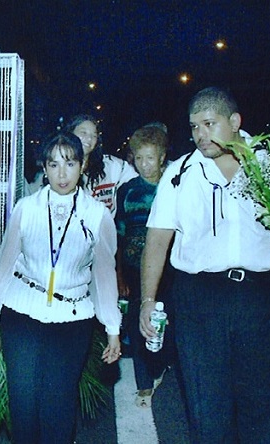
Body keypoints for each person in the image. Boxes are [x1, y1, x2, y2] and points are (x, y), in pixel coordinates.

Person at [140, 87, 270, 442]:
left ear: (235, 122)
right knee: (207, 411)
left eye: (209, 124)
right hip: (200, 302)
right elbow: (157, 240)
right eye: (194, 127)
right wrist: (148, 301)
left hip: (263, 300)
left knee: (260, 406)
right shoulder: (180, 174)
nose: (200, 135)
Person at [0, 131, 121, 444]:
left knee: (58, 403)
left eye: (70, 164)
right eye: (54, 164)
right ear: (44, 168)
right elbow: (5, 267)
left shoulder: (97, 215)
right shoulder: (25, 208)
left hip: (72, 319)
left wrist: (112, 327)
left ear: (82, 166)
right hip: (22, 314)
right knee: (24, 402)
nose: (62, 173)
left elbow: (103, 275)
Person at [115, 125, 173, 408]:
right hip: (134, 267)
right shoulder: (127, 191)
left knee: (169, 321)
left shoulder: (174, 187)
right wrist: (119, 274)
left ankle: (163, 363)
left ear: (162, 157)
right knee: (140, 323)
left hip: (171, 269)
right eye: (139, 158)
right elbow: (120, 233)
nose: (144, 164)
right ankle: (144, 382)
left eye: (150, 158)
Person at [65, 114, 138, 216]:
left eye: (94, 135)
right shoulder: (56, 167)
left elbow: (142, 176)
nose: (89, 138)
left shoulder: (111, 166)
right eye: (83, 132)